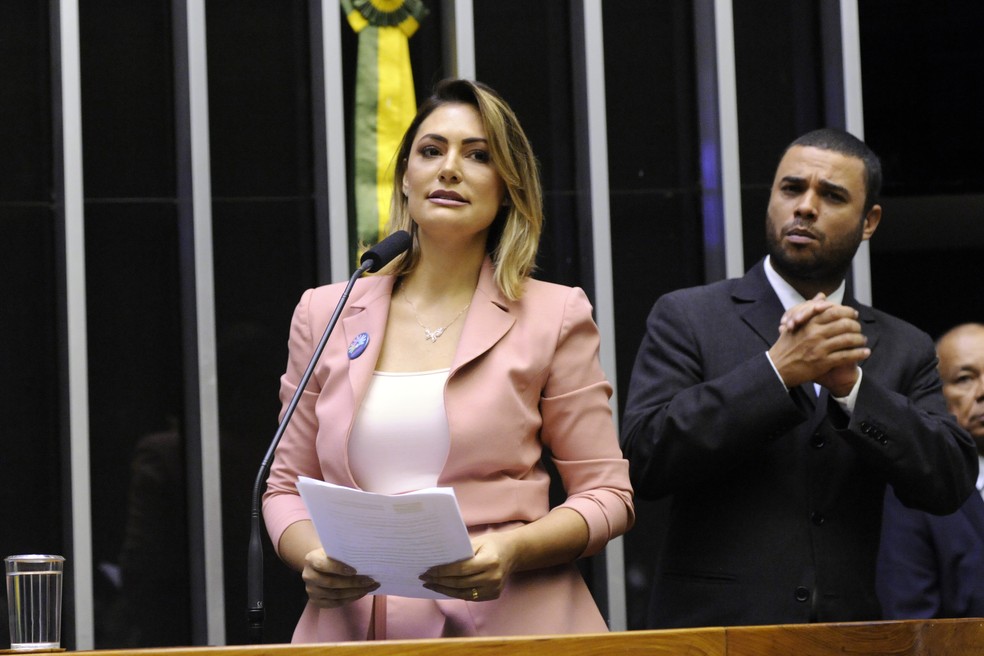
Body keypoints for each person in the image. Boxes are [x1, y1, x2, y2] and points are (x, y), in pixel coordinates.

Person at [262, 78, 634, 642]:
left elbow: (608, 495)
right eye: (431, 151)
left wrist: (511, 549)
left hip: (513, 626)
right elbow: (285, 488)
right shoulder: (326, 312)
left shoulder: (555, 313)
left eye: (478, 155)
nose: (450, 169)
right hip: (353, 628)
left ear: (507, 188)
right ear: (405, 179)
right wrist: (312, 555)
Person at [619, 127, 977, 628]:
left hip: (848, 633)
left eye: (831, 195)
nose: (805, 207)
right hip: (714, 631)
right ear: (771, 199)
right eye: (792, 189)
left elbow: (950, 481)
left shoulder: (903, 345)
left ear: (869, 220)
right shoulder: (688, 316)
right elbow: (644, 458)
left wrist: (853, 391)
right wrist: (776, 372)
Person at [877, 322, 984, 618]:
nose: (983, 391)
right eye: (965, 378)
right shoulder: (913, 495)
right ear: (936, 393)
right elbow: (910, 621)